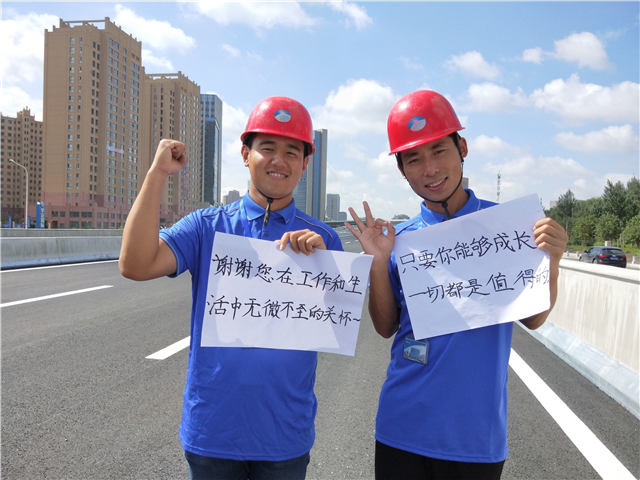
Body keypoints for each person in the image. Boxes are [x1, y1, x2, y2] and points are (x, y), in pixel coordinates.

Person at [346, 90, 568, 480]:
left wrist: (553, 260)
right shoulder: (401, 240)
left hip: (475, 439)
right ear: (402, 170)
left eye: (439, 151)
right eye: (414, 159)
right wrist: (379, 264)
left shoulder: (510, 228)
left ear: (462, 148)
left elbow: (534, 320)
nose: (430, 169)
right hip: (401, 430)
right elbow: (385, 327)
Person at [119, 96, 343, 480]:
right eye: (267, 148)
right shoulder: (206, 226)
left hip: (285, 436)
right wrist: (157, 175)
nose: (279, 160)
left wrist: (325, 268)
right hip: (212, 433)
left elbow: (341, 327)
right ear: (245, 154)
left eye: (292, 152)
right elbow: (135, 265)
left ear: (305, 164)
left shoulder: (323, 240)